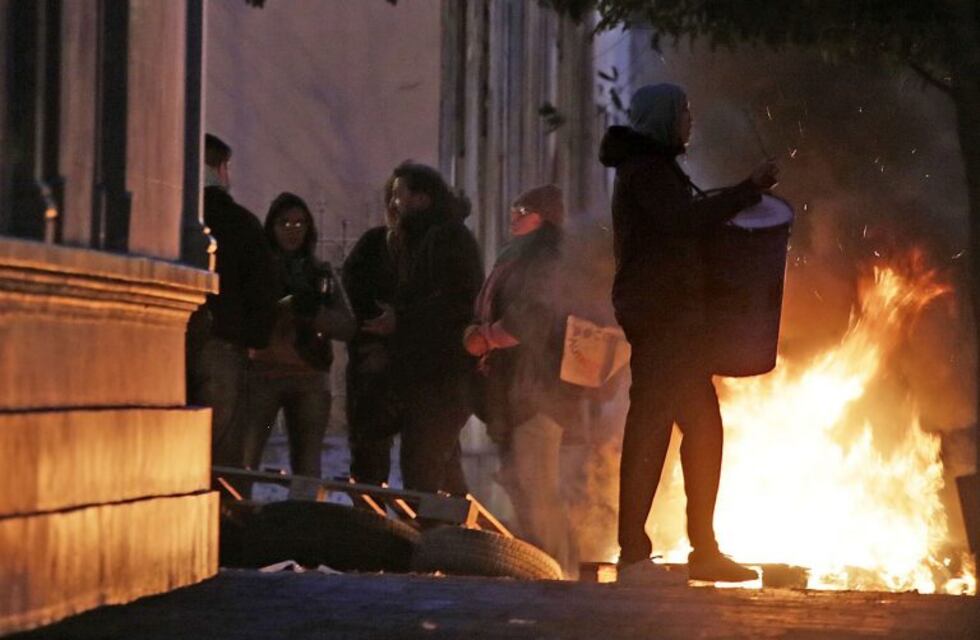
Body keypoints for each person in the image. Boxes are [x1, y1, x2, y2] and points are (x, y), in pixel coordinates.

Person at [598, 83, 779, 583]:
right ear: (664, 118)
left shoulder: (650, 168)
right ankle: (638, 554)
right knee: (657, 431)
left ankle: (695, 548)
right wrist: (747, 191)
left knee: (692, 428)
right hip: (664, 323)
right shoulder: (648, 171)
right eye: (684, 111)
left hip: (670, 322)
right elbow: (684, 222)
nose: (690, 121)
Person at [463, 184, 580, 574]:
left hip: (537, 391)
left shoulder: (545, 258)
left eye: (524, 209)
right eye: (515, 206)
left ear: (544, 217)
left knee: (536, 484)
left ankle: (559, 574)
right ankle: (543, 568)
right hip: (512, 390)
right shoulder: (517, 255)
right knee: (522, 483)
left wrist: (488, 337)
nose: (515, 214)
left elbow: (533, 317)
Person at [363, 162, 483, 494]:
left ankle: (436, 536)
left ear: (422, 198)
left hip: (441, 373)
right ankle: (458, 535)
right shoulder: (430, 237)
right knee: (441, 465)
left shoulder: (446, 237)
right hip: (435, 373)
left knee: (423, 465)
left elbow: (455, 302)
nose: (394, 203)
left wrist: (401, 320)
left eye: (400, 194)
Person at [241, 192, 355, 480]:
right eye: (285, 224)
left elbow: (347, 325)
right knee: (247, 457)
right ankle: (238, 517)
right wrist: (281, 308)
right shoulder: (260, 270)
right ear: (272, 227)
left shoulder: (320, 273)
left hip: (309, 375)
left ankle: (305, 519)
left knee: (307, 464)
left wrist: (314, 315)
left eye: (299, 224)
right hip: (263, 373)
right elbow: (247, 315)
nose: (292, 231)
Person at [187, 133, 278, 472]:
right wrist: (255, 336)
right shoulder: (239, 221)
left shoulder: (172, 210)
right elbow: (262, 284)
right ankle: (224, 518)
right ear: (221, 168)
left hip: (174, 336)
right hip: (225, 339)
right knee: (223, 450)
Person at [342, 177, 400, 486]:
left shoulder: (432, 246)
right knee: (369, 454)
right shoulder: (373, 244)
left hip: (410, 366)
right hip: (373, 361)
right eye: (391, 198)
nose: (395, 206)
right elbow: (352, 292)